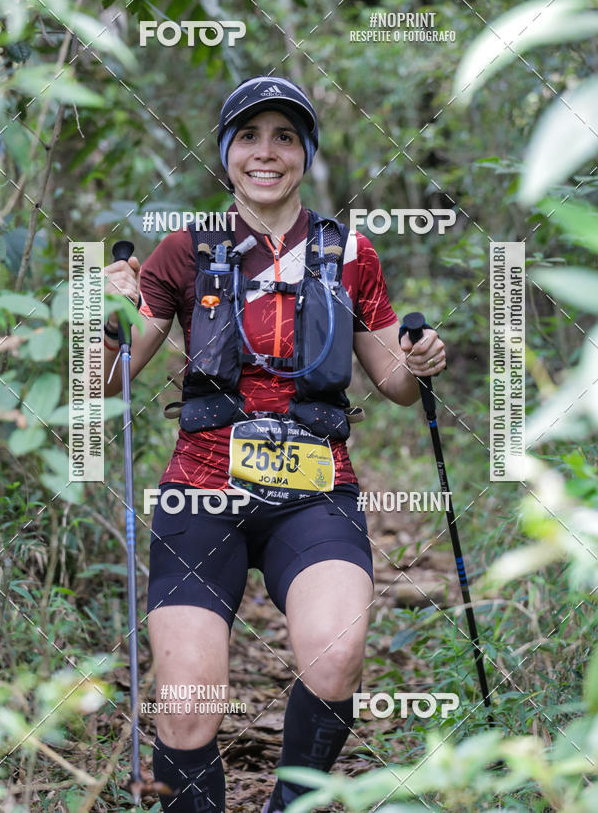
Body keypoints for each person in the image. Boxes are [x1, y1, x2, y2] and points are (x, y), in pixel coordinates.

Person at [103, 75, 446, 812]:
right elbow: (108, 378)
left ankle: (289, 802)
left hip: (316, 490)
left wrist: (418, 360)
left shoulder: (350, 252)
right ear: (227, 153)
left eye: (285, 136)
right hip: (201, 486)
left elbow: (395, 380)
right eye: (250, 136)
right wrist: (99, 309)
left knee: (336, 654)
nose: (267, 152)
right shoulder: (184, 250)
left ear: (305, 153)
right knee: (189, 699)